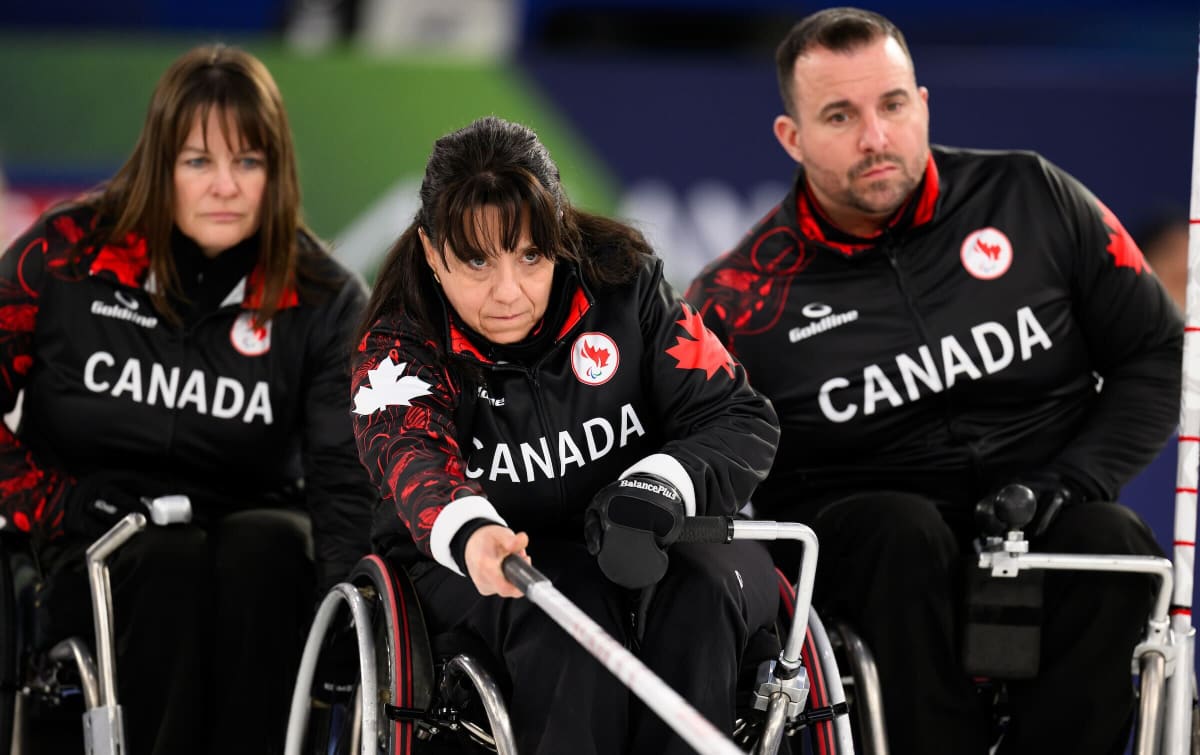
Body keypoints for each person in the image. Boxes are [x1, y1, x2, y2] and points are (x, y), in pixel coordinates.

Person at [686, 8, 1182, 755]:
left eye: (891, 105)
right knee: (901, 530)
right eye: (839, 115)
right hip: (869, 541)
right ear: (793, 137)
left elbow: (1156, 351)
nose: (875, 138)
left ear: (921, 104)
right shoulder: (738, 298)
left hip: (1045, 506)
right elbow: (688, 446)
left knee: (1111, 540)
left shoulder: (1032, 197)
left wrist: (1072, 480)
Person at [351, 115, 780, 755]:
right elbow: (410, 458)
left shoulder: (626, 288)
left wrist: (661, 485)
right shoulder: (398, 345)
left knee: (705, 591)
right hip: (483, 561)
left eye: (531, 256)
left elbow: (737, 416)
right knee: (563, 607)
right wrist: (469, 530)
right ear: (432, 252)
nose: (508, 292)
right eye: (476, 260)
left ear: (559, 237)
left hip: (649, 530)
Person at [0, 44, 375, 755]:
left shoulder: (323, 297)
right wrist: (56, 503)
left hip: (255, 533)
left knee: (268, 552)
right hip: (95, 537)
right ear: (160, 164)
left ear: (278, 172)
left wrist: (344, 618)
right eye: (199, 160)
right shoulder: (66, 255)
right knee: (164, 558)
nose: (225, 186)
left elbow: (343, 482)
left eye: (249, 161)